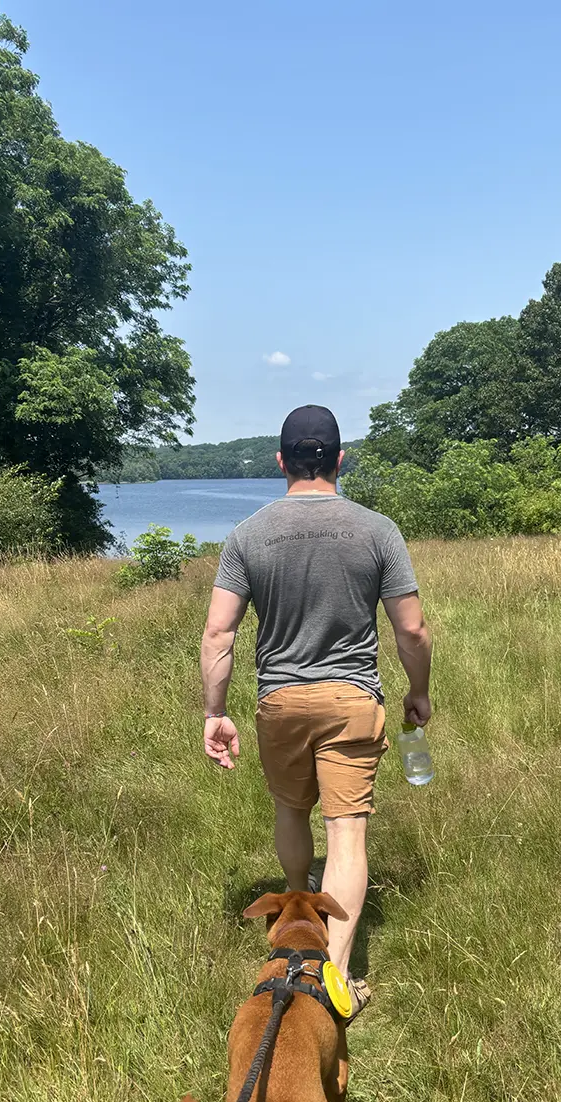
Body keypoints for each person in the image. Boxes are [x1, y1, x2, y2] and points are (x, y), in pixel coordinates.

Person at [200, 404, 433, 1020]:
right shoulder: (377, 530)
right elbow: (411, 630)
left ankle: (297, 914)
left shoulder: (248, 535)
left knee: (290, 810)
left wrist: (214, 712)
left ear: (280, 462)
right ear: (339, 458)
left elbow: (218, 633)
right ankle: (334, 975)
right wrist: (419, 689)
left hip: (279, 701)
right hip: (353, 700)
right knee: (347, 832)